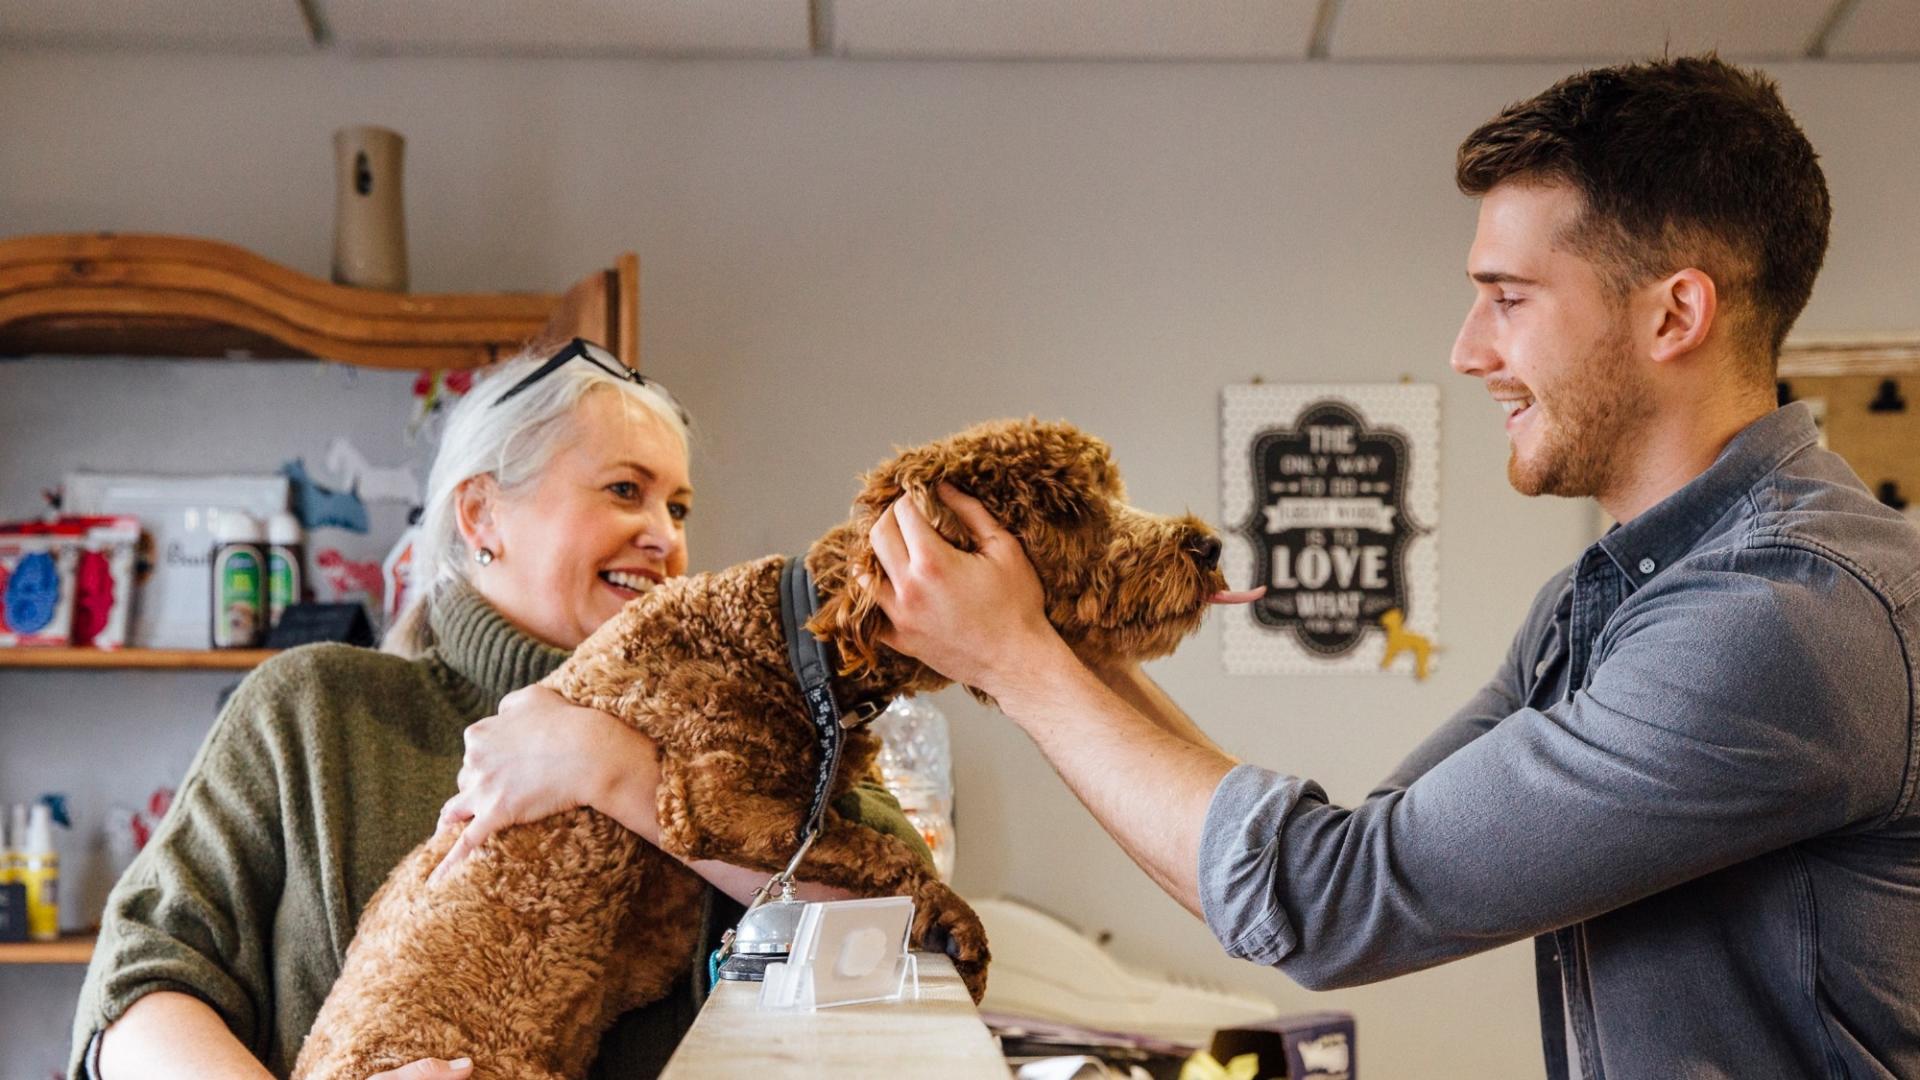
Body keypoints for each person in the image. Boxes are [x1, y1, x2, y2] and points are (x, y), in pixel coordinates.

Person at [865, 55, 1920, 1078]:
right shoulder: (1601, 602)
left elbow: (1332, 902)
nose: (1468, 349)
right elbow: (1347, 858)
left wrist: (1019, 665)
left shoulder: (1780, 618)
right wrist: (1047, 647)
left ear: (1673, 315)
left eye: (1508, 298)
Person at [70, 339, 930, 1080]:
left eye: (678, 506)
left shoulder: (755, 732)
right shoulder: (317, 711)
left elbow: (908, 936)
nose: (665, 536)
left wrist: (619, 771)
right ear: (482, 512)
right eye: (625, 490)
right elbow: (139, 988)